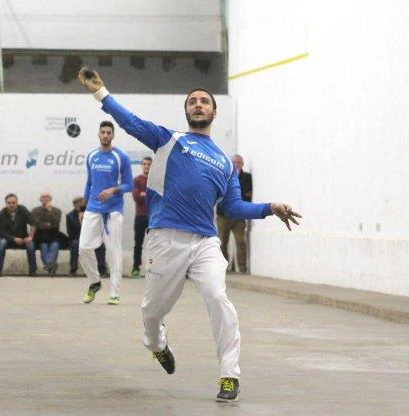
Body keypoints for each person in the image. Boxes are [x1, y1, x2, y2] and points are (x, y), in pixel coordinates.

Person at [78, 68, 302, 402]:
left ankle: (229, 375)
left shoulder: (225, 163)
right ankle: (158, 345)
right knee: (152, 313)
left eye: (204, 101)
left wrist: (270, 207)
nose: (198, 105)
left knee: (218, 298)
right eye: (193, 101)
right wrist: (101, 94)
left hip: (205, 243)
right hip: (165, 239)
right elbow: (131, 121)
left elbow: (235, 207)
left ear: (214, 111)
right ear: (187, 111)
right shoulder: (170, 139)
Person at [80, 120, 133, 306]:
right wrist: (82, 207)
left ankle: (115, 293)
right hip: (93, 208)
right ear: (98, 134)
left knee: (113, 251)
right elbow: (89, 183)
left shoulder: (121, 157)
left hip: (113, 211)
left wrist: (113, 190)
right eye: (102, 132)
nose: (105, 135)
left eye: (108, 132)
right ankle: (95, 282)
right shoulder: (91, 156)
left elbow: (129, 184)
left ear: (113, 135)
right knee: (84, 249)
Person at [216, 154, 252, 274]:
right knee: (222, 242)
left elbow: (247, 195)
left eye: (239, 163)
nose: (236, 165)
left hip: (239, 216)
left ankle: (242, 269)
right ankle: (224, 269)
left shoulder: (247, 177)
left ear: (242, 164)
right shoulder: (223, 176)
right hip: (223, 215)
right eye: (234, 163)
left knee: (241, 241)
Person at [65, 196, 108, 277]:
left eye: (82, 203)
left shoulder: (92, 213)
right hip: (77, 238)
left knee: (100, 245)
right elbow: (70, 233)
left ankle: (102, 270)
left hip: (91, 237)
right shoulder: (70, 216)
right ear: (74, 205)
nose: (80, 205)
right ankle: (73, 270)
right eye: (77, 203)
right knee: (74, 244)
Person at [0, 193, 36, 277]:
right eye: (9, 203)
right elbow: (1, 232)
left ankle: (33, 271)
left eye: (13, 202)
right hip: (8, 239)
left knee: (31, 245)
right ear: (6, 203)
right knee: (1, 243)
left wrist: (30, 237)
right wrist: (14, 238)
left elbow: (33, 223)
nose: (11, 205)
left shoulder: (23, 210)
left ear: (17, 202)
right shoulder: (1, 214)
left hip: (23, 238)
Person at [131, 156, 152, 277]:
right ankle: (135, 268)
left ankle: (152, 269)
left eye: (149, 164)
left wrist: (144, 194)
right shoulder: (137, 180)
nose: (147, 166)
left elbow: (158, 199)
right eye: (144, 164)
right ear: (141, 165)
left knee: (153, 244)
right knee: (138, 243)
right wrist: (144, 196)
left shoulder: (155, 180)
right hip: (140, 217)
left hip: (153, 217)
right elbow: (136, 198)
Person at [31, 192, 61, 276]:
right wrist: (45, 225)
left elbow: (56, 223)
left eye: (47, 197)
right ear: (40, 199)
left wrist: (50, 211)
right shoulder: (35, 210)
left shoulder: (57, 211)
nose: (45, 198)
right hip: (40, 235)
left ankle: (49, 265)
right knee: (43, 246)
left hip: (54, 234)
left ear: (50, 199)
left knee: (55, 245)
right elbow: (35, 223)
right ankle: (51, 265)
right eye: (43, 197)